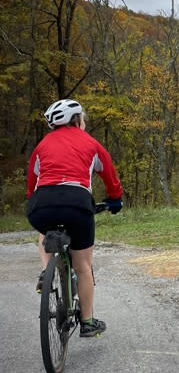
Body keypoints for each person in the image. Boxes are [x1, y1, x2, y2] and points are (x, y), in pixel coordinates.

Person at [26, 99, 123, 338]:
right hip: (77, 204)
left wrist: (37, 201)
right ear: (77, 120)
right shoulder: (90, 143)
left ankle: (45, 269)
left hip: (41, 205)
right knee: (83, 266)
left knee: (44, 228)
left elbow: (32, 183)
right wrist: (115, 200)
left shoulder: (41, 145)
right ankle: (88, 322)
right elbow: (109, 175)